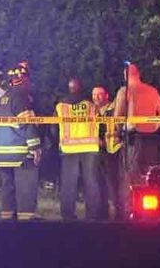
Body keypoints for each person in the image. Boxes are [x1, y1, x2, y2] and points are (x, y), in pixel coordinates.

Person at [0, 61, 42, 221]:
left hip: (2, 153)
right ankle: (26, 219)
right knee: (26, 186)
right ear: (25, 79)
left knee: (8, 187)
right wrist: (35, 147)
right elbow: (27, 124)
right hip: (19, 152)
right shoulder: (21, 97)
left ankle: (7, 218)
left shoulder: (3, 98)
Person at [113, 62, 160, 186]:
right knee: (150, 173)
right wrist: (155, 126)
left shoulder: (124, 91)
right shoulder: (152, 90)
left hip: (133, 138)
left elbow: (117, 116)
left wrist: (118, 132)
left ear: (126, 76)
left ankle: (130, 204)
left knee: (130, 174)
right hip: (152, 137)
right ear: (138, 74)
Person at [55, 77, 101, 220]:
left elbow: (53, 127)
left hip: (69, 148)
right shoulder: (91, 105)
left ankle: (67, 214)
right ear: (81, 88)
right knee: (91, 181)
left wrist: (56, 143)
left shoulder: (61, 106)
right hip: (90, 147)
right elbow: (101, 123)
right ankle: (93, 214)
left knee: (68, 183)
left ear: (69, 88)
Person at [93, 85, 127, 220]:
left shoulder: (114, 109)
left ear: (107, 95)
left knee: (114, 183)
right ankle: (102, 213)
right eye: (94, 95)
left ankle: (118, 213)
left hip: (114, 150)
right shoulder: (93, 112)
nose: (96, 97)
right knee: (99, 183)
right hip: (99, 151)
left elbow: (119, 127)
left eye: (99, 94)